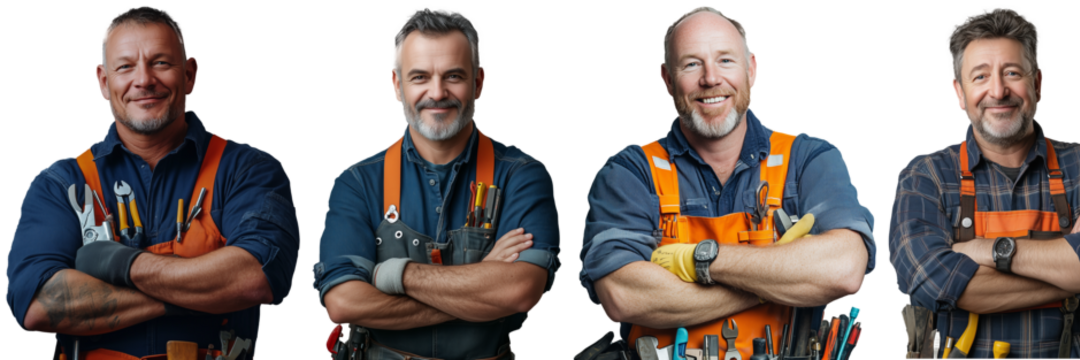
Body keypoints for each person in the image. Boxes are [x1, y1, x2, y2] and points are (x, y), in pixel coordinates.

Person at [574, 5, 877, 357]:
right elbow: (623, 295)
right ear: (667, 79)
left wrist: (702, 260)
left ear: (752, 69)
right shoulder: (629, 173)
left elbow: (844, 270)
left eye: (726, 61)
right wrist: (776, 280)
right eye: (691, 64)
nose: (710, 78)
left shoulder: (807, 161)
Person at [3, 5, 302, 360]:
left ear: (191, 74)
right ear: (103, 81)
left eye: (161, 62)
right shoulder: (59, 184)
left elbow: (257, 277)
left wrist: (120, 265)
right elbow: (38, 305)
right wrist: (198, 292)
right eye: (125, 66)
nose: (143, 80)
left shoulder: (249, 170)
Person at [888, 6, 1080, 359]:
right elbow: (929, 281)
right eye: (980, 77)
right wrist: (1070, 264)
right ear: (958, 93)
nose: (998, 90)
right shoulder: (925, 176)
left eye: (1012, 73)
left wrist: (988, 251)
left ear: (1038, 83)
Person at [310, 7, 562, 360]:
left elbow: (521, 291)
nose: (437, 92)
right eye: (419, 77)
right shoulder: (357, 182)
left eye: (454, 76)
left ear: (479, 83)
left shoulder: (523, 174)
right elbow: (342, 303)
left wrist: (393, 274)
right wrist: (485, 281)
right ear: (396, 85)